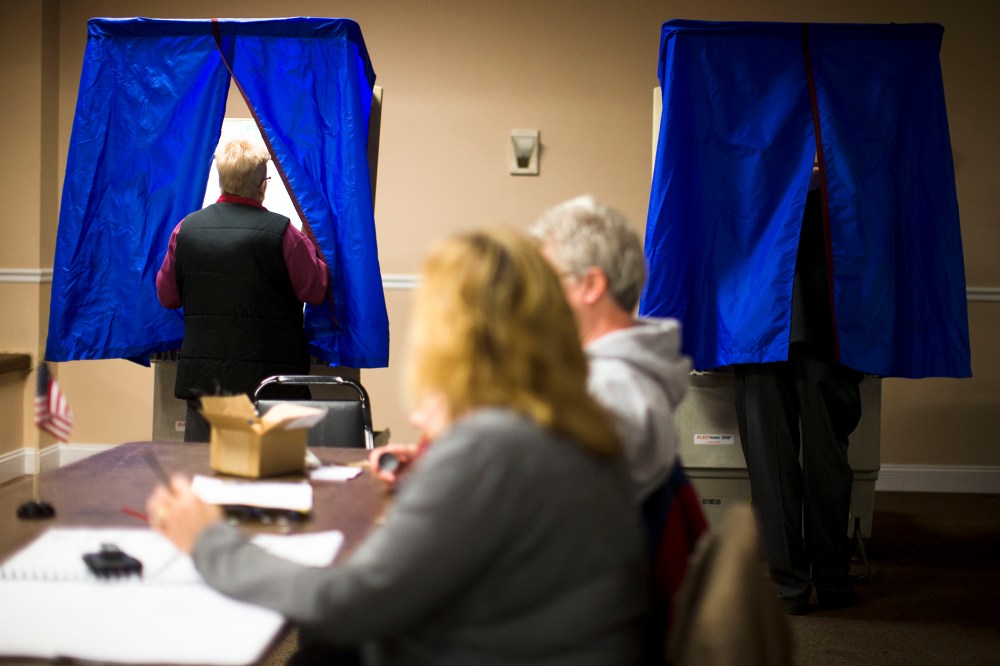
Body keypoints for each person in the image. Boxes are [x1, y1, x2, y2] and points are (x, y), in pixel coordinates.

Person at [147, 228, 650, 665]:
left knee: (324, 643)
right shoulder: (570, 421)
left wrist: (209, 542)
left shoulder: (492, 445)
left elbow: (347, 603)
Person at [733, 161, 864, 615]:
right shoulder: (850, 150)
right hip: (826, 319)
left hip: (761, 319)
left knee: (774, 458)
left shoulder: (743, 161)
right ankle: (830, 580)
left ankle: (792, 586)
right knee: (826, 452)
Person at [156, 138, 329, 442]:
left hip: (206, 385)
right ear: (263, 185)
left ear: (221, 181)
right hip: (272, 387)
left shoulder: (186, 230)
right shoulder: (283, 233)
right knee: (274, 477)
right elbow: (316, 290)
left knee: (205, 474)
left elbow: (167, 296)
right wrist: (314, 241)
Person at [528, 195, 692, 505]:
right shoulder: (619, 377)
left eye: (547, 280)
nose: (536, 298)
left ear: (591, 285)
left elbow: (546, 512)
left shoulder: (609, 390)